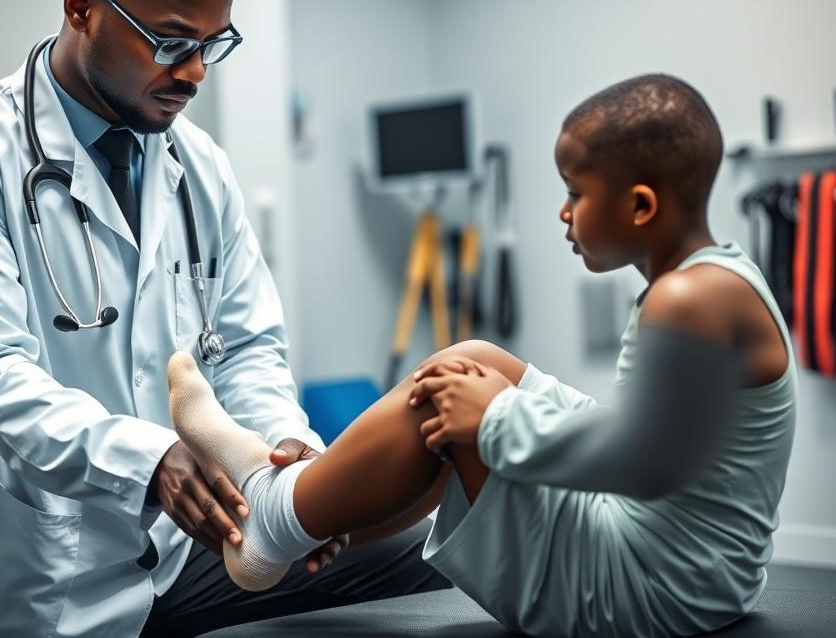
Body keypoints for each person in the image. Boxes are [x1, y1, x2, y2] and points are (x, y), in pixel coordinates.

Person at [0, 0, 447, 638]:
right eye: (173, 42)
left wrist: (292, 467)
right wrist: (150, 463)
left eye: (215, 45)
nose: (196, 73)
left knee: (426, 554)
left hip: (173, 557)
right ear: (82, 7)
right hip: (16, 578)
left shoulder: (198, 167)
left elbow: (247, 346)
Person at [166, 74, 797, 637]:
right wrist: (494, 397)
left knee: (453, 397)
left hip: (654, 588)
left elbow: (646, 462)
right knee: (472, 360)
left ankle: (276, 517)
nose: (563, 211)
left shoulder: (686, 298)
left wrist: (495, 416)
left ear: (639, 206)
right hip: (694, 569)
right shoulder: (717, 278)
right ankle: (311, 519)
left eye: (576, 193)